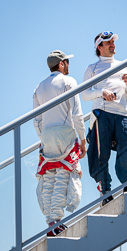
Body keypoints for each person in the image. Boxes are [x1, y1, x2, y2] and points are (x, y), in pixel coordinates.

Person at [33, 50, 86, 236]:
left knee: (49, 179)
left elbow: (36, 120)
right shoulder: (69, 82)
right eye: (67, 62)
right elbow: (77, 114)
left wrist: (44, 137)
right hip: (64, 133)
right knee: (63, 176)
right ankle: (57, 221)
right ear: (61, 64)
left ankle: (50, 221)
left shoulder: (39, 87)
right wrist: (83, 139)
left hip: (47, 136)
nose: (68, 66)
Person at [81, 31, 127, 206]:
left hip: (122, 114)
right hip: (102, 114)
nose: (112, 45)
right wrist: (101, 93)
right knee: (100, 154)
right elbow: (84, 95)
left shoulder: (124, 65)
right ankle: (106, 192)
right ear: (99, 47)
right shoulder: (92, 68)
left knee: (126, 151)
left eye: (113, 42)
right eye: (108, 43)